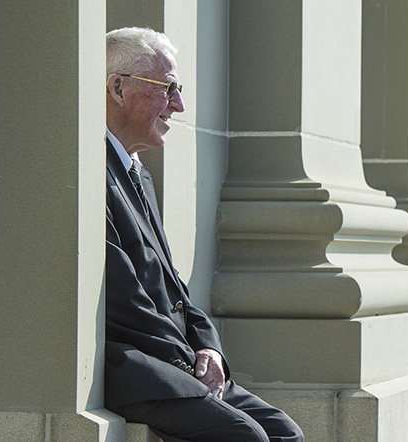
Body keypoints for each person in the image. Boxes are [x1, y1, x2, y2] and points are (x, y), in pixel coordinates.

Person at [104, 27, 304, 442]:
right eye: (168, 88)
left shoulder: (137, 174)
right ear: (118, 88)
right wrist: (188, 362)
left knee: (286, 434)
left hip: (179, 362)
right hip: (139, 367)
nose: (178, 104)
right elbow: (123, 300)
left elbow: (173, 287)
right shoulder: (93, 172)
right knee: (244, 437)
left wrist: (209, 348)